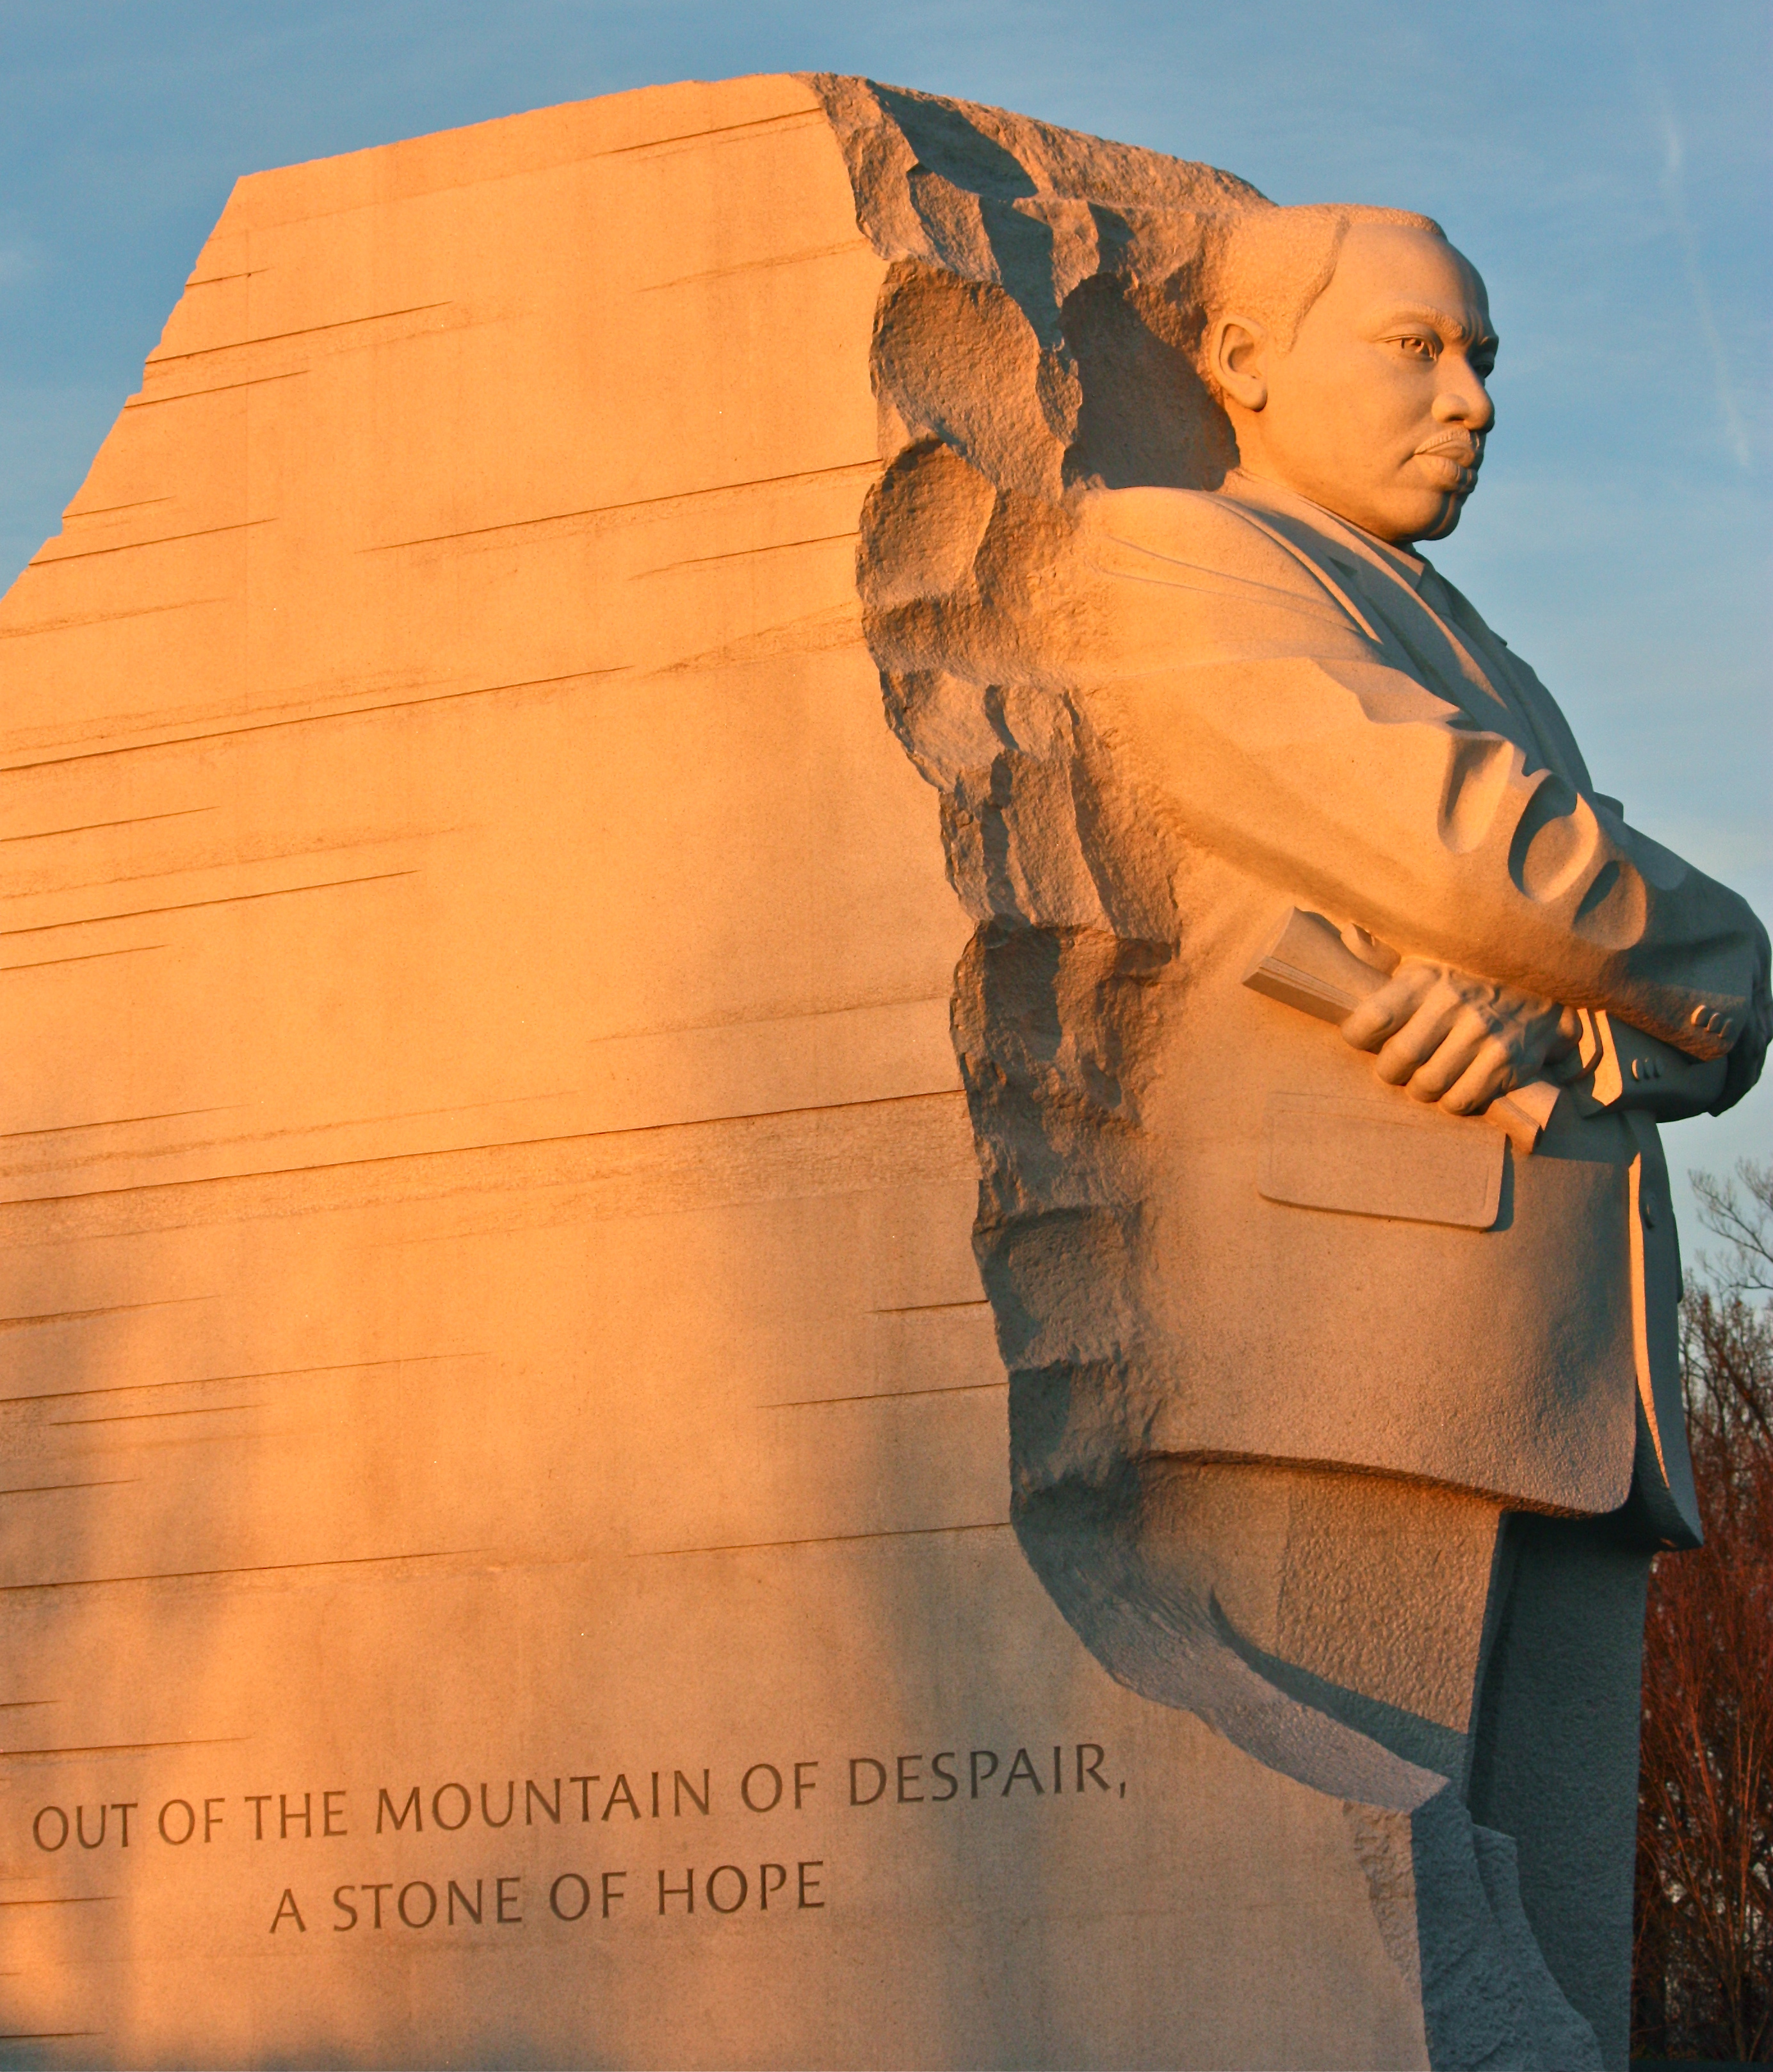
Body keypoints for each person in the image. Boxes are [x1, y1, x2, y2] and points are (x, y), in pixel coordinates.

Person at [873, 202, 1769, 2068]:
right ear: (1245, 363)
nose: (1469, 402)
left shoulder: (1464, 635)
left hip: (1555, 1378)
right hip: (1346, 1344)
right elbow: (1474, 842)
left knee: (1541, 1973)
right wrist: (1727, 954)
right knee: (1351, 1957)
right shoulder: (1174, 555)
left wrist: (1583, 1013)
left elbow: (1573, 945)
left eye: (1483, 360)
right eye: (1415, 349)